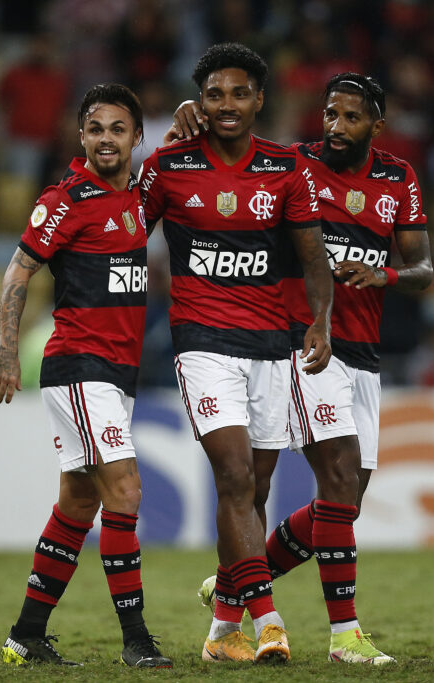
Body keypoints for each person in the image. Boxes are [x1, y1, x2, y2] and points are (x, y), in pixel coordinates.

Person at [170, 72, 433, 665]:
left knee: (347, 499)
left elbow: (423, 269)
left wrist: (386, 275)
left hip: (365, 353)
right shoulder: (292, 164)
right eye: (329, 114)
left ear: (376, 125)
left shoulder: (399, 179)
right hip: (306, 344)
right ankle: (345, 638)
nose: (335, 127)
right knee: (336, 481)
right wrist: (194, 111)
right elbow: (232, 146)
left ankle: (237, 581)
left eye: (351, 118)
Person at [139, 43, 334, 664]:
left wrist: (321, 322)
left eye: (239, 93)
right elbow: (118, 225)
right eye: (215, 94)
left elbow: (312, 258)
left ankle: (223, 631)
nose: (227, 104)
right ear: (200, 99)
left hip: (272, 345)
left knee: (255, 492)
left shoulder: (286, 167)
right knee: (234, 476)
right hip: (202, 343)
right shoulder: (169, 165)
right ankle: (269, 621)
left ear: (259, 100)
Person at [0, 84, 171, 669]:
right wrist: (7, 351)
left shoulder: (140, 200)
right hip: (78, 366)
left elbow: (178, 167)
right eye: (96, 128)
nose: (106, 139)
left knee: (78, 501)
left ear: (137, 138)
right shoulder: (66, 198)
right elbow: (19, 272)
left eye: (118, 129)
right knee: (126, 489)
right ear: (81, 136)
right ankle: (137, 641)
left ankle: (27, 634)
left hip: (117, 373)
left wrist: (188, 121)